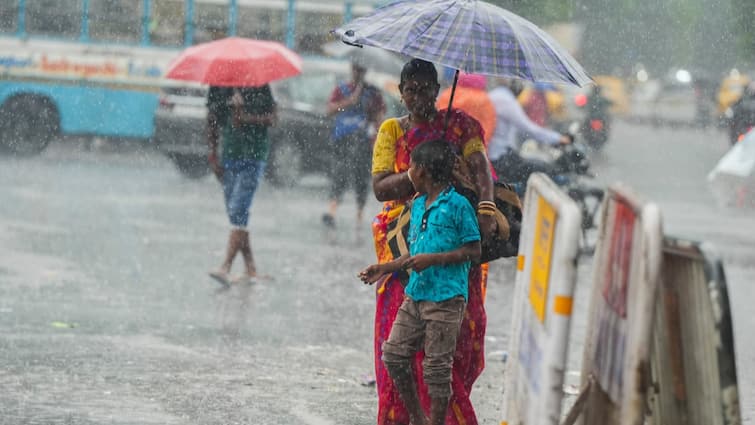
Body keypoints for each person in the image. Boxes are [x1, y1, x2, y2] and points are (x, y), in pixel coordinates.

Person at [369, 58, 496, 425]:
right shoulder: (392, 131)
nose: (419, 97)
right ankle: (406, 416)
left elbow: (481, 169)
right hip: (404, 241)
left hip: (454, 246)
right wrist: (421, 172)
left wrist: (485, 207)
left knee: (450, 346)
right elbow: (380, 188)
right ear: (401, 92)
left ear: (438, 91)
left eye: (426, 89)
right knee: (398, 345)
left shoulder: (461, 126)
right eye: (411, 89)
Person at [359, 139, 482, 425]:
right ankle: (418, 416)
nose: (408, 171)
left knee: (437, 369)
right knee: (394, 355)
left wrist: (435, 259)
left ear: (424, 170)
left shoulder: (458, 205)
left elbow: (473, 251)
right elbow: (415, 254)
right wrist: (385, 268)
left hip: (446, 298)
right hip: (415, 294)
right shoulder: (416, 205)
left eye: (412, 165)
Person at [206, 85, 277, 286]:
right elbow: (211, 119)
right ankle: (251, 268)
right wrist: (213, 156)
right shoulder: (219, 87)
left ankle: (225, 266)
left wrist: (243, 116)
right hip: (229, 155)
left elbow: (273, 118)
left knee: (239, 208)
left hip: (254, 155)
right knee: (235, 214)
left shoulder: (262, 86)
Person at [322, 60, 386, 228]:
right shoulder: (342, 89)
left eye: (361, 69)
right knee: (339, 174)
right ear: (352, 69)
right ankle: (332, 210)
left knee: (361, 179)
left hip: (363, 142)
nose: (358, 72)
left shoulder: (373, 93)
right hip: (342, 140)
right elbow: (329, 110)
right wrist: (350, 101)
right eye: (356, 69)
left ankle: (359, 215)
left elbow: (379, 116)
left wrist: (377, 136)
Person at [487, 78, 571, 183]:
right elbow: (528, 128)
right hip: (498, 156)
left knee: (532, 165)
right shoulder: (506, 100)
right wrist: (558, 138)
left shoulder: (494, 95)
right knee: (543, 169)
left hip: (496, 153)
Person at [435, 72, 496, 146]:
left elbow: (440, 117)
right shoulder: (484, 99)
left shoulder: (449, 94)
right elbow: (489, 124)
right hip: (474, 144)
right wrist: (481, 142)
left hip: (448, 142)